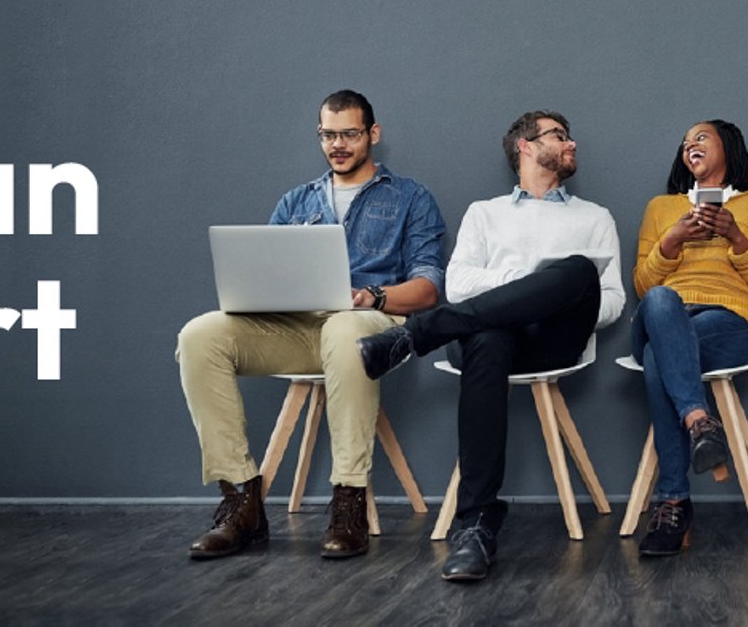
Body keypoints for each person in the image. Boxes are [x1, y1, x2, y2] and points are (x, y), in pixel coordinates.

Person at [175, 89, 446, 560]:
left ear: (372, 135)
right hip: (298, 329)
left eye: (349, 134)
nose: (337, 144)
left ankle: (348, 501)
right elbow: (264, 277)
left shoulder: (410, 197)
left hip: (370, 326)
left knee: (344, 330)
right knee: (199, 336)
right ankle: (241, 501)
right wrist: (257, 296)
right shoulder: (295, 202)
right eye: (327, 135)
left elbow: (429, 287)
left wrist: (373, 295)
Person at [356, 110, 625, 582]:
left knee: (580, 270)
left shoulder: (595, 217)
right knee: (488, 334)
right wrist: (523, 291)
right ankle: (476, 526)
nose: (572, 145)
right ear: (524, 146)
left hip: (555, 341)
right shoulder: (485, 212)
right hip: (487, 340)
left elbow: (614, 301)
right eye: (560, 136)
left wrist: (550, 296)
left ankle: (412, 336)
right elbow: (457, 283)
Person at [628, 119, 748, 556]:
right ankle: (699, 419)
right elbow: (642, 285)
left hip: (728, 321)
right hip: (662, 315)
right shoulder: (660, 208)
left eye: (700, 138)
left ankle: (673, 502)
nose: (689, 146)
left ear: (728, 147)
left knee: (662, 359)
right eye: (684, 142)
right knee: (659, 298)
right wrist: (673, 239)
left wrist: (735, 235)